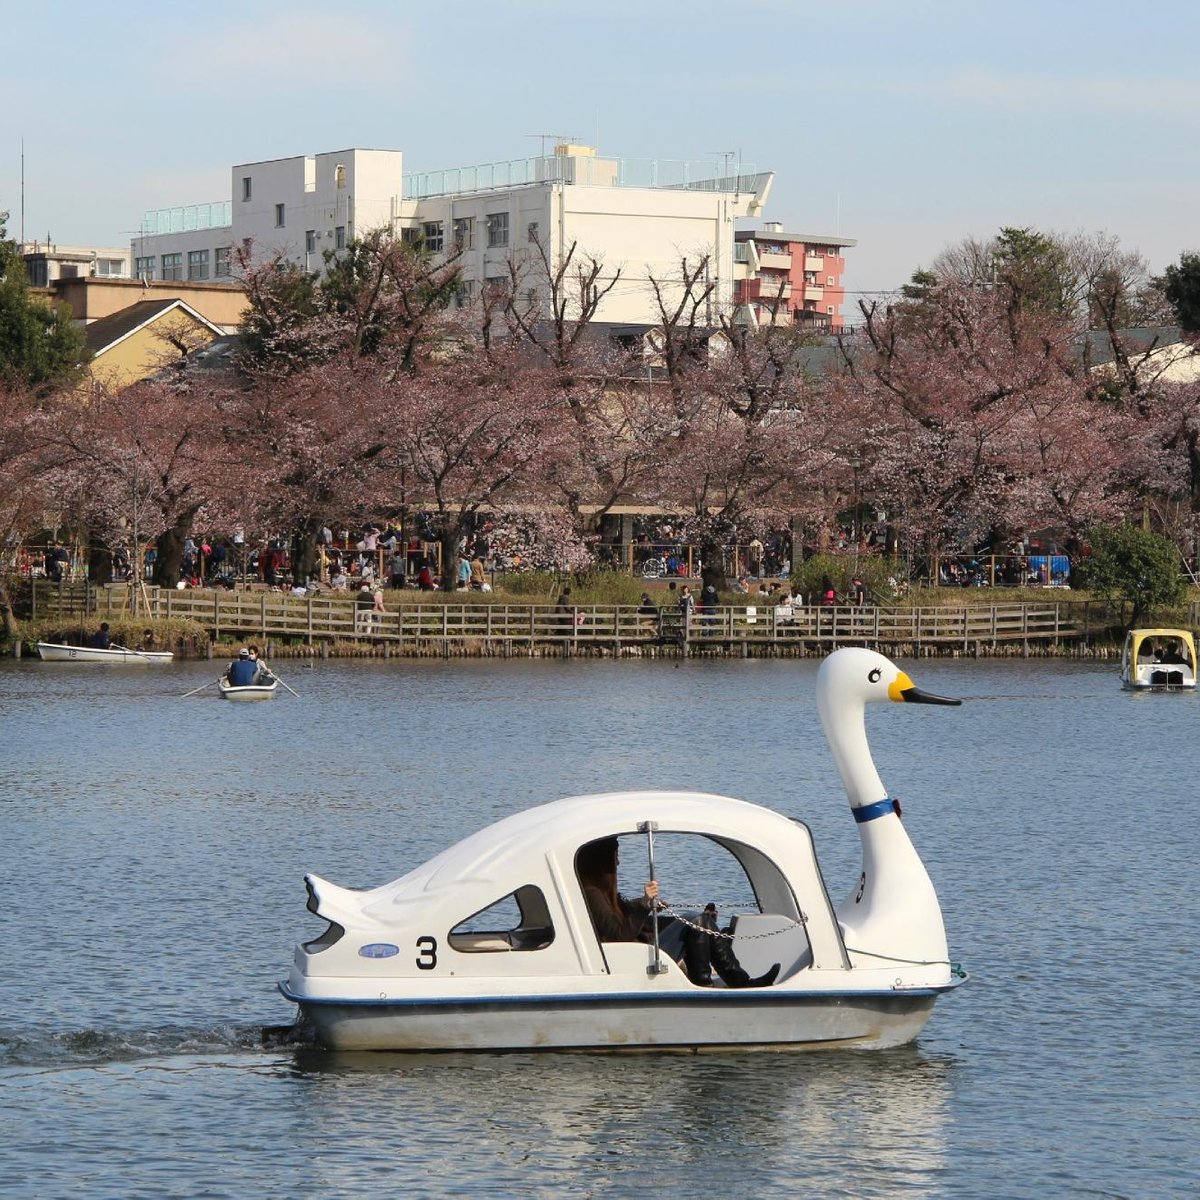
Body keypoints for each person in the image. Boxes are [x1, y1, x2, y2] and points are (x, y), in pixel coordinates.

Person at [575, 837, 778, 989]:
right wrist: (645, 905)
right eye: (615, 857)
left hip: (637, 952)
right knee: (697, 921)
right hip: (632, 960)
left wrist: (653, 909)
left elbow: (636, 921)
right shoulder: (593, 895)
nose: (618, 863)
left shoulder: (606, 895)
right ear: (602, 862)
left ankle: (715, 982)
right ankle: (730, 983)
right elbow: (618, 935)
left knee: (699, 920)